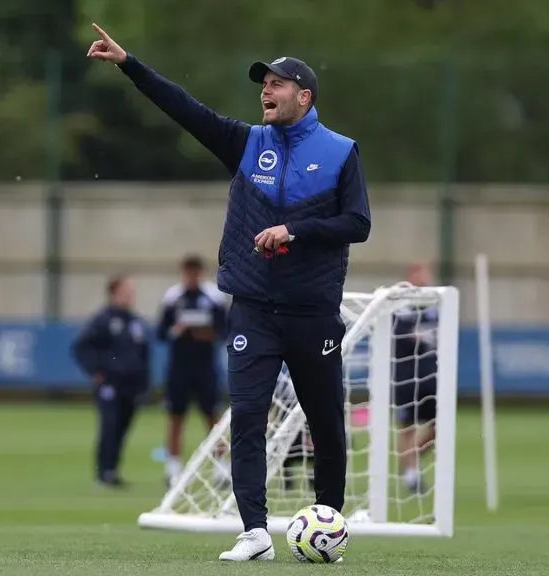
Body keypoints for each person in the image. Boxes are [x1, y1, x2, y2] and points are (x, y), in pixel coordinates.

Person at [86, 24, 372, 561]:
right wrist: (129, 64)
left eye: (278, 83)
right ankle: (256, 532)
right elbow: (183, 108)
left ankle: (328, 527)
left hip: (312, 312)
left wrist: (295, 230)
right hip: (253, 310)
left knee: (327, 426)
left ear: (304, 96)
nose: (266, 89)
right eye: (263, 83)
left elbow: (358, 223)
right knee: (246, 416)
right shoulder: (247, 144)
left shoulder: (339, 153)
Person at [71, 274, 151, 489]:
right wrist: (95, 371)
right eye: (126, 291)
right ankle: (103, 472)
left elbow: (144, 355)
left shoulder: (136, 322)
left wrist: (144, 385)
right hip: (109, 384)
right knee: (109, 425)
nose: (130, 295)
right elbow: (82, 347)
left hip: (131, 386)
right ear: (114, 293)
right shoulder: (103, 320)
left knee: (123, 428)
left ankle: (113, 470)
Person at [156, 254, 228, 487]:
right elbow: (161, 332)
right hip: (179, 368)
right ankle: (173, 469)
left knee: (212, 418)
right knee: (176, 417)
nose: (191, 278)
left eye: (194, 273)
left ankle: (222, 468)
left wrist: (204, 333)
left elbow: (224, 330)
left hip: (205, 368)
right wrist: (178, 330)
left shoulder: (213, 297)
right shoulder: (173, 297)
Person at [391, 263, 439, 494]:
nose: (424, 278)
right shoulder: (400, 308)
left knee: (437, 427)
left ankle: (411, 458)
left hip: (431, 377)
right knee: (407, 426)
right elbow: (398, 339)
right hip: (406, 378)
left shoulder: (436, 306)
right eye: (419, 274)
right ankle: (411, 476)